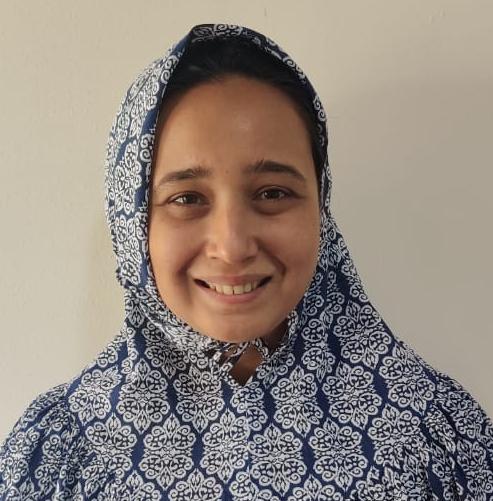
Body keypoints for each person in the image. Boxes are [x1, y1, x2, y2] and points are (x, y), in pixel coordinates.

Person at [1, 22, 492, 500]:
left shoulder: (436, 439)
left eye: (272, 193)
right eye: (187, 198)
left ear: (319, 207)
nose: (232, 245)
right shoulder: (61, 456)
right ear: (132, 222)